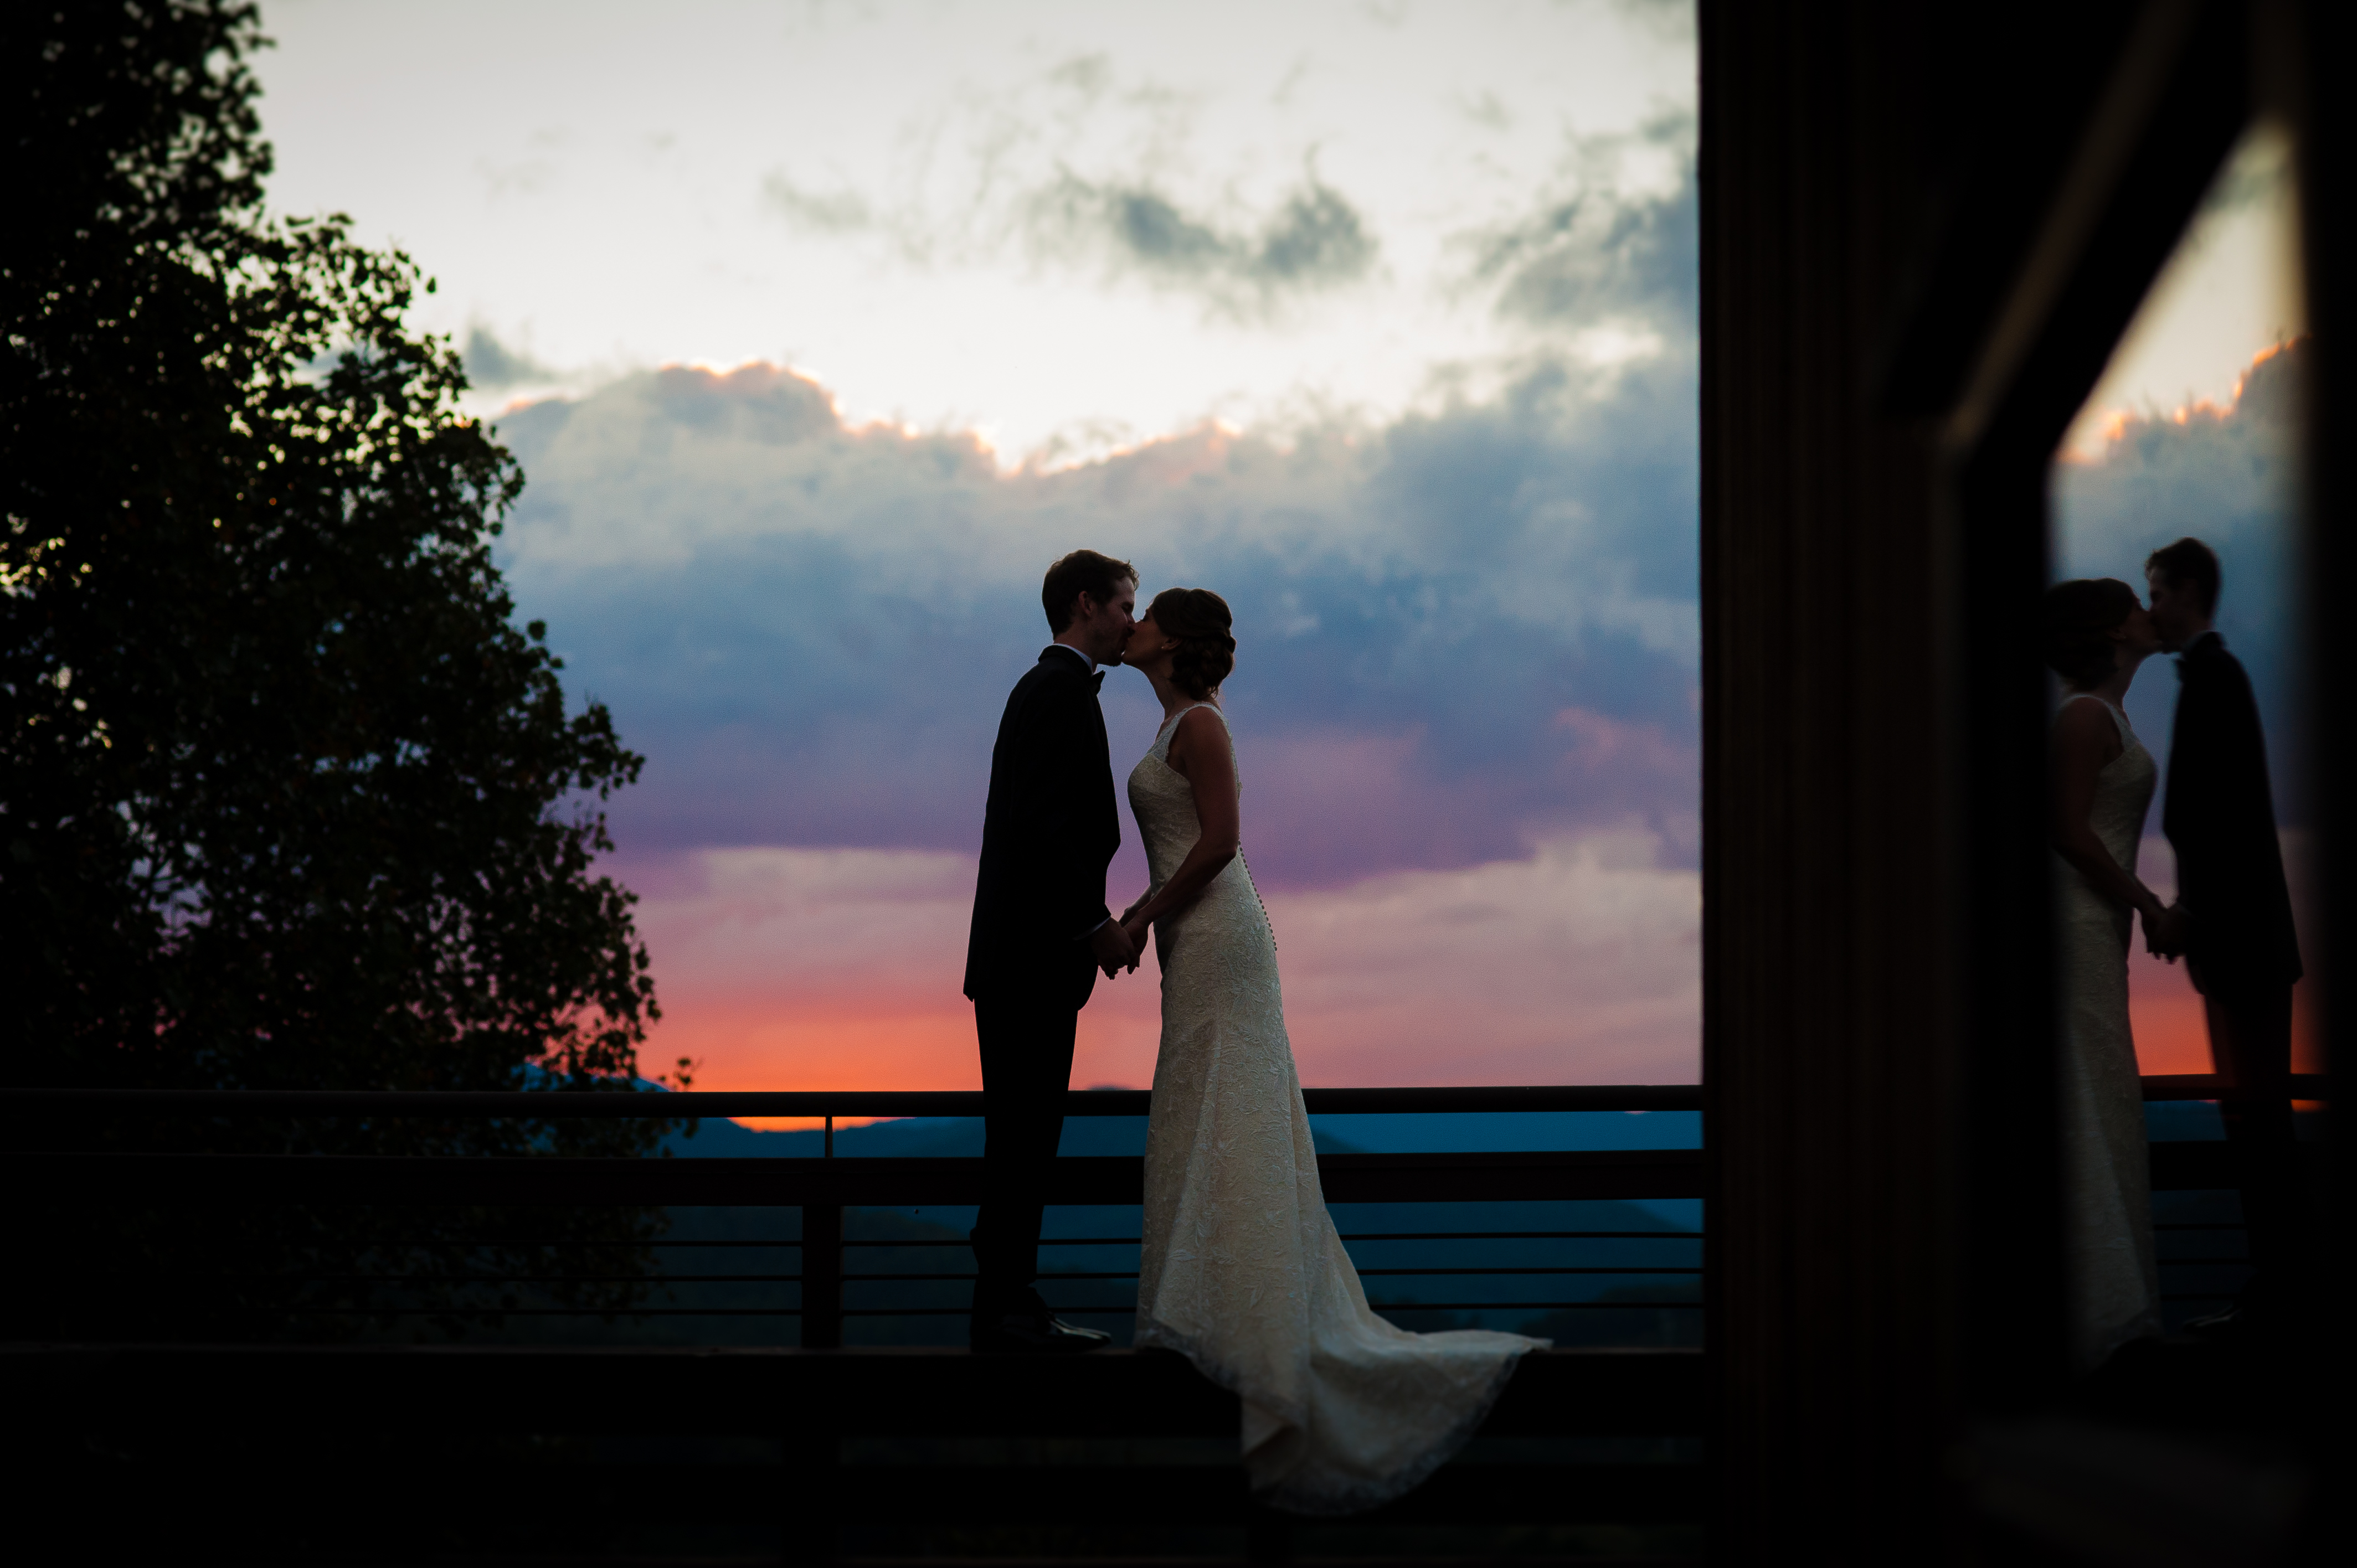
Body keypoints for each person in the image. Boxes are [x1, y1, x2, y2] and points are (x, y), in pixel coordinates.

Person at [1114, 586, 1542, 1514]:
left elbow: (1223, 842)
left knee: (1227, 1092)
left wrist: (1140, 917)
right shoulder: (1174, 727)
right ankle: (1210, 1304)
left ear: (1174, 640)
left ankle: (1247, 1325)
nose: (1133, 624)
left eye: (1148, 617)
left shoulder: (1201, 728)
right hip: (1197, 940)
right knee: (1204, 1095)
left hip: (1219, 936)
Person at [963, 550, 1141, 1354]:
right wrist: (1094, 925)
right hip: (1031, 961)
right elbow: (1041, 827)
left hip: (1027, 961)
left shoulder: (1055, 690)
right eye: (1124, 604)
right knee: (1024, 1136)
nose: (1131, 621)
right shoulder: (1055, 692)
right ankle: (1004, 1307)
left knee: (1027, 1134)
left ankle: (1009, 1300)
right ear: (1085, 604)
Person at [2145, 537, 2310, 1333]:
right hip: (2240, 946)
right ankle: (2275, 1282)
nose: (2152, 609)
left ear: (2189, 592)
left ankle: (2281, 1291)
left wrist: (2190, 919)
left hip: (2239, 948)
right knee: (2251, 1117)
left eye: (2158, 593)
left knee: (2258, 1118)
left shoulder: (2215, 678)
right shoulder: (2214, 678)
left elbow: (2222, 826)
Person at [2045, 577, 2175, 1371]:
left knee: (2102, 1096)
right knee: (2091, 1096)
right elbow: (2064, 829)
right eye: (2134, 605)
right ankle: (2097, 1318)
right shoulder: (2083, 717)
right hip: (2077, 928)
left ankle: (2108, 1306)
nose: (2146, 615)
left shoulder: (2106, 715)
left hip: (2099, 929)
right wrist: (2149, 904)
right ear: (2110, 631)